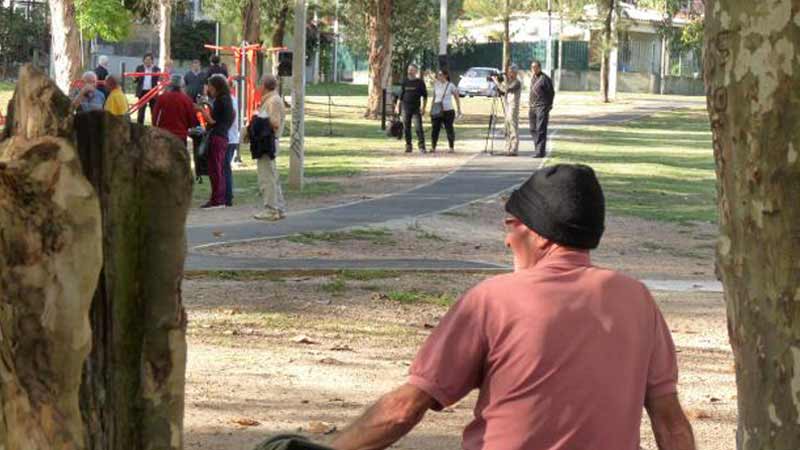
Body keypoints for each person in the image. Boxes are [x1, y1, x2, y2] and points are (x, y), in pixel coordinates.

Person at [329, 164, 695, 450]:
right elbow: (670, 422)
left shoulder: (494, 299)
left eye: (511, 224)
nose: (507, 240)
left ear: (540, 234)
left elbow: (403, 410)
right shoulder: (637, 300)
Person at [195, 74, 234, 209]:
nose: (208, 89)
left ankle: (218, 200)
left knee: (215, 169)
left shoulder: (220, 100)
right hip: (223, 135)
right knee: (218, 169)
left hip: (217, 136)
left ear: (216, 86)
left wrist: (200, 109)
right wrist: (207, 105)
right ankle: (218, 198)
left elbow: (212, 121)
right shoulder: (227, 99)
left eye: (210, 86)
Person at [252, 74, 286, 221]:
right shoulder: (271, 100)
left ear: (264, 86)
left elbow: (275, 122)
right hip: (267, 141)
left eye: (259, 84)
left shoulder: (273, 101)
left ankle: (271, 209)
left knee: (267, 177)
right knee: (272, 176)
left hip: (268, 142)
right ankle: (279, 208)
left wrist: (258, 119)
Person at [153, 75, 199, 143]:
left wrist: (156, 129)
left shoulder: (162, 98)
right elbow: (192, 120)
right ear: (182, 86)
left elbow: (155, 116)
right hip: (180, 136)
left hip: (164, 135)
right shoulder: (187, 100)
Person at [492, 64, 522, 156]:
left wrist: (497, 82)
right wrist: (499, 85)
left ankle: (514, 149)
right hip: (507, 105)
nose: (509, 74)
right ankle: (507, 147)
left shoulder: (517, 82)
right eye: (509, 72)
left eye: (511, 72)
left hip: (513, 106)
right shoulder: (509, 81)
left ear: (515, 73)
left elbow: (507, 89)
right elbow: (503, 91)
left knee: (513, 126)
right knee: (506, 127)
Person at [396, 64, 427, 153]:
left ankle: (422, 147)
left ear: (416, 71)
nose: (410, 71)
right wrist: (397, 106)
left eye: (412, 70)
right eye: (409, 69)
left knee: (418, 128)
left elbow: (425, 96)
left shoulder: (420, 82)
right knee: (406, 128)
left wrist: (423, 108)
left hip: (416, 109)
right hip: (405, 108)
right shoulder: (405, 81)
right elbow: (400, 96)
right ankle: (408, 146)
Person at [430, 69, 462, 153]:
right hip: (437, 110)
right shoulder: (436, 85)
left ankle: (451, 147)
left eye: (441, 75)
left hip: (448, 110)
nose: (439, 76)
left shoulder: (450, 85)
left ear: (445, 75)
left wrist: (459, 108)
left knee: (449, 129)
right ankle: (433, 147)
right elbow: (434, 97)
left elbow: (456, 97)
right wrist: (432, 109)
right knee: (435, 129)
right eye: (438, 75)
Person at [529, 60, 555, 158]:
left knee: (540, 129)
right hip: (532, 107)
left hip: (542, 106)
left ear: (539, 68)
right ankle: (537, 149)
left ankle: (540, 152)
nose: (533, 69)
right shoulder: (533, 78)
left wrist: (549, 105)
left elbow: (551, 93)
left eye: (535, 67)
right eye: (532, 67)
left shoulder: (545, 79)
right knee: (532, 129)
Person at [224, 80, 240, 207]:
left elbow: (231, 117)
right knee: (225, 167)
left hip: (228, 138)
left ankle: (227, 196)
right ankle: (227, 194)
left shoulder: (229, 100)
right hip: (232, 138)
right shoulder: (232, 99)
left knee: (225, 168)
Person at [135, 53, 162, 125]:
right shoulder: (139, 68)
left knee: (154, 111)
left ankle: (154, 127)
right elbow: (135, 80)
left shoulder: (156, 69)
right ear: (143, 60)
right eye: (146, 60)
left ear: (152, 61)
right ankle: (139, 127)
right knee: (141, 112)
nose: (148, 61)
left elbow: (160, 79)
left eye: (149, 60)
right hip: (142, 92)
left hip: (152, 92)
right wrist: (135, 77)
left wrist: (160, 75)